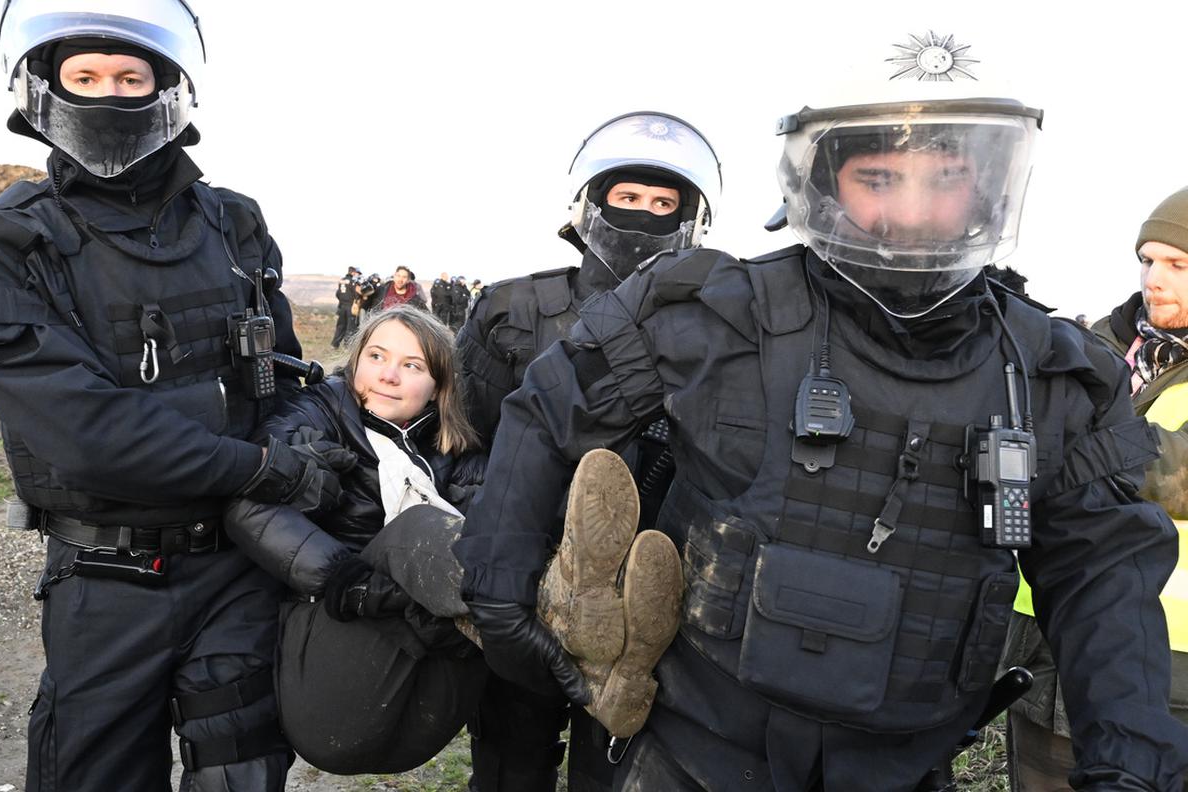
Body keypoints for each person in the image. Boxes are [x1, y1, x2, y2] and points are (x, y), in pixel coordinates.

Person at [453, 34, 1188, 791]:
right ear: (827, 182)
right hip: (689, 752)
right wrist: (500, 590)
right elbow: (548, 407)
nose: (912, 209)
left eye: (946, 177)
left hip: (903, 767)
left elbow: (1101, 579)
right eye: (879, 177)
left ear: (993, 186)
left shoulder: (1049, 374)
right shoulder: (716, 311)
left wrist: (1130, 766)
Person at [0, 2, 334, 789]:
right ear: (44, 89)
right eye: (83, 78)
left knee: (242, 770)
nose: (107, 95)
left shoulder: (236, 224)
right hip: (106, 581)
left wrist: (305, 441)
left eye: (128, 76)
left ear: (167, 86)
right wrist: (259, 467)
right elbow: (86, 431)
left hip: (238, 567)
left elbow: (283, 372)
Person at [454, 110, 722, 792]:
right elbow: (461, 444)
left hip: (646, 604)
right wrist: (511, 557)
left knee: (614, 766)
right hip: (523, 583)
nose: (644, 218)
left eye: (665, 205)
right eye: (628, 199)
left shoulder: (712, 326)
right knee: (513, 761)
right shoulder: (512, 310)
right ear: (590, 204)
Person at [226, 305, 488, 774]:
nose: (388, 376)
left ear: (438, 389)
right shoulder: (315, 414)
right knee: (422, 525)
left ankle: (586, 649)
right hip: (336, 699)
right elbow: (245, 505)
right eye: (376, 356)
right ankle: (552, 618)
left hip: (425, 708)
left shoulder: (461, 454)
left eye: (412, 366)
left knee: (487, 536)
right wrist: (346, 580)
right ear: (355, 361)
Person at [1002, 185, 1188, 791]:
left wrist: (1065, 441)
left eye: (1178, 264)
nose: (1153, 278)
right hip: (1046, 639)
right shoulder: (1096, 348)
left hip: (1170, 670)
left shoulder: (1080, 366)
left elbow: (1179, 474)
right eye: (1148, 259)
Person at [331, 266, 362, 348]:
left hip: (341, 306)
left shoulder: (341, 280)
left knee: (340, 326)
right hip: (350, 306)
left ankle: (335, 344)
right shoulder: (353, 281)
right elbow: (356, 294)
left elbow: (338, 293)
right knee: (350, 326)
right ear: (353, 272)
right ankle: (347, 345)